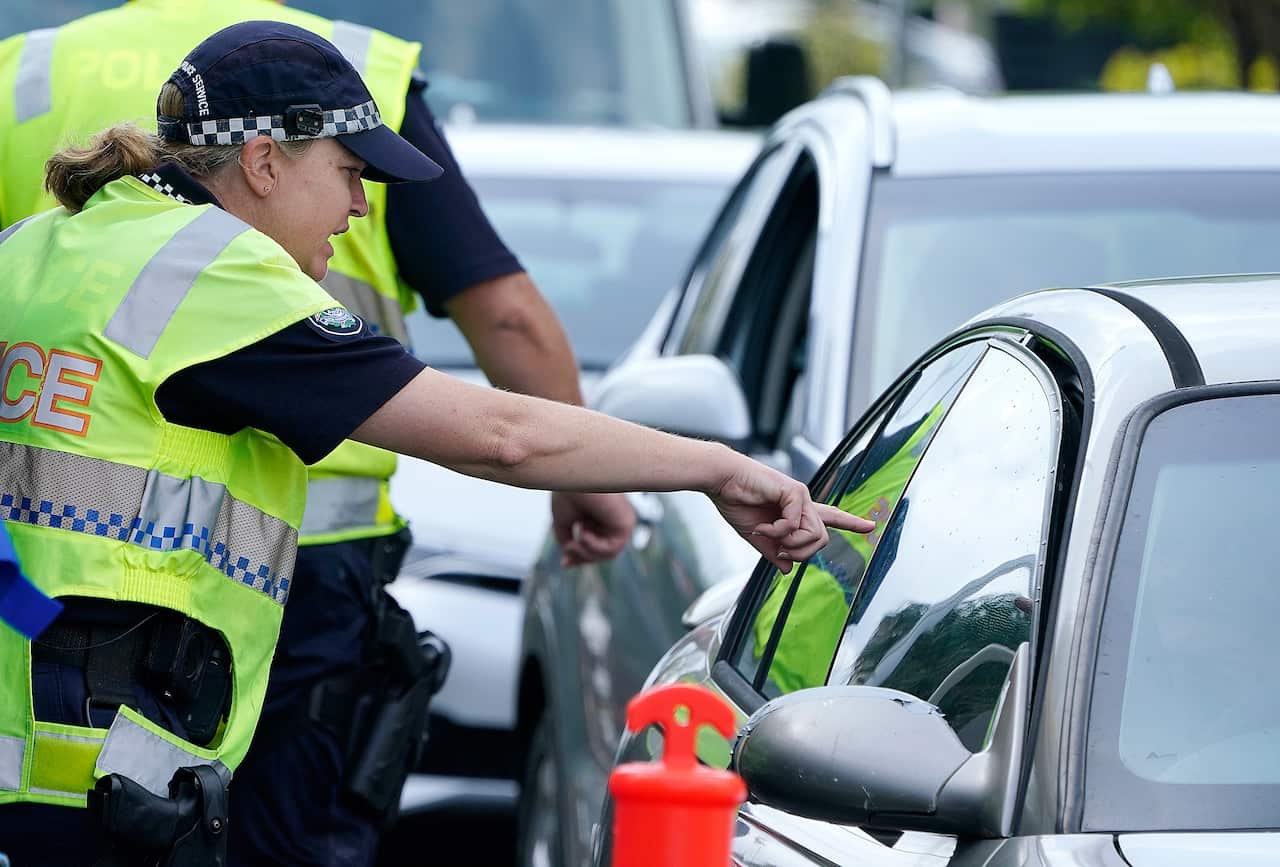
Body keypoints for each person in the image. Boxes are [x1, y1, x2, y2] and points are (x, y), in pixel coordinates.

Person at [0, 20, 874, 867]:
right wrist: (718, 469)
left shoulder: (40, 246)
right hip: (96, 782)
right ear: (264, 162)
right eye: (347, 172)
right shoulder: (216, 274)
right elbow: (500, 436)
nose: (356, 208)